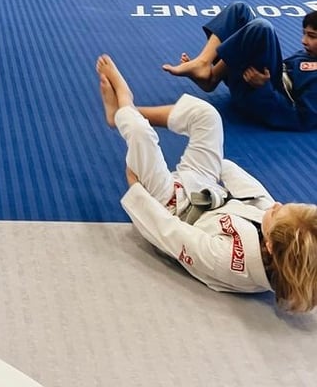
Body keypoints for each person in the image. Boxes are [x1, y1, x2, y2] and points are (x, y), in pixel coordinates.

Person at [97, 54, 317, 312]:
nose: (277, 204)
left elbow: (170, 234)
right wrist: (216, 164)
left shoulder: (229, 262)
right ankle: (123, 114)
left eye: (279, 212)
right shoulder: (281, 238)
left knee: (141, 135)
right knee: (208, 116)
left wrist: (138, 193)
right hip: (206, 189)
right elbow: (252, 191)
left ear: (269, 244)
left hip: (170, 206)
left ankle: (125, 103)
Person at [162, 2, 317, 132]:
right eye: (304, 33)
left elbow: (302, 119)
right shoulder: (308, 55)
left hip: (262, 100)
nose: (303, 41)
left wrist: (264, 88)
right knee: (239, 9)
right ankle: (204, 65)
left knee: (261, 28)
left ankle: (210, 77)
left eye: (311, 36)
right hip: (257, 82)